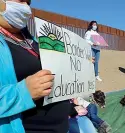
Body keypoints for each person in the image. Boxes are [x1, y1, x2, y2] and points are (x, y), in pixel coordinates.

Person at [0, 1, 74, 133]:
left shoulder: (32, 40)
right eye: (21, 0)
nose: (26, 7)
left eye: (28, 2)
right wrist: (23, 92)